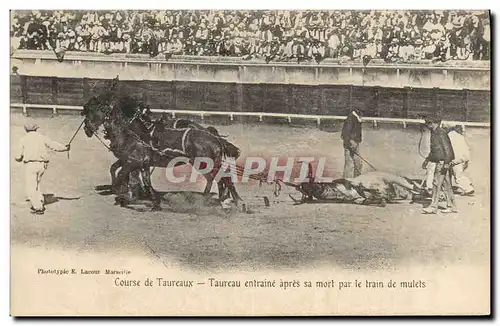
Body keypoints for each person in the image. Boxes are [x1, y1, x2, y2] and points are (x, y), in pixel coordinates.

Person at [14, 123, 70, 215]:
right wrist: (65, 148)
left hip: (31, 164)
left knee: (30, 187)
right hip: (42, 165)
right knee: (37, 184)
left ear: (26, 130)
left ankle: (38, 207)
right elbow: (53, 145)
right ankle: (39, 201)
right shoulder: (42, 137)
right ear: (36, 129)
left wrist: (19, 158)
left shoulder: (23, 139)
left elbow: (17, 156)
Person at [421, 116, 457, 214]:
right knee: (446, 185)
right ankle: (452, 206)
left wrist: (446, 162)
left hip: (442, 162)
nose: (427, 125)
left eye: (428, 123)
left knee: (436, 184)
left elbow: (447, 148)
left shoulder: (440, 133)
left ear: (433, 123)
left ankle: (433, 206)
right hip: (442, 162)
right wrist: (427, 160)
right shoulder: (435, 133)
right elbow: (435, 150)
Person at [341, 108, 363, 178]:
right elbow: (345, 133)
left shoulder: (356, 117)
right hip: (350, 143)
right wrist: (350, 143)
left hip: (355, 143)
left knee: (358, 163)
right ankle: (347, 182)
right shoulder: (351, 118)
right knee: (349, 164)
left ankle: (357, 180)